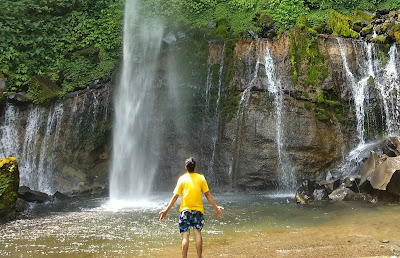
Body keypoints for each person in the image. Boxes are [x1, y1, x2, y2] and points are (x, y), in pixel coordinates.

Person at [159, 157, 223, 258]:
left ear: (186, 167)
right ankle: (199, 256)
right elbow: (207, 194)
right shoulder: (201, 178)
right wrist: (216, 208)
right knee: (197, 234)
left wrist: (166, 211)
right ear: (195, 167)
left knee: (185, 236)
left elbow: (175, 196)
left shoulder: (182, 179)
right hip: (198, 211)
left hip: (185, 211)